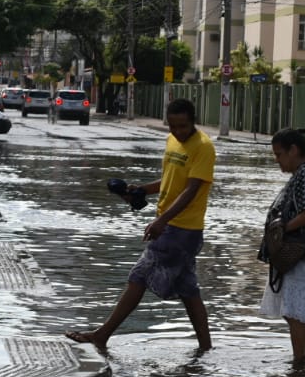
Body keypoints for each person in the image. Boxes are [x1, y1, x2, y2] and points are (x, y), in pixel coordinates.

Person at [65, 97, 215, 352]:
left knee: (139, 277)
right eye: (173, 126)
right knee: (188, 290)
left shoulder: (203, 147)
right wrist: (141, 190)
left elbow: (190, 191)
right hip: (172, 225)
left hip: (181, 229)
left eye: (183, 126)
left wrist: (161, 221)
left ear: (193, 122)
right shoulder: (172, 142)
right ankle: (206, 347)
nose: (178, 132)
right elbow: (170, 180)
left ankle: (102, 335)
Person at [258, 128, 305, 366]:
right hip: (299, 256)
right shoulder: (301, 174)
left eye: (279, 154)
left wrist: (283, 229)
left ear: (294, 150)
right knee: (292, 313)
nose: (277, 160)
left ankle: (299, 366)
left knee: (295, 313)